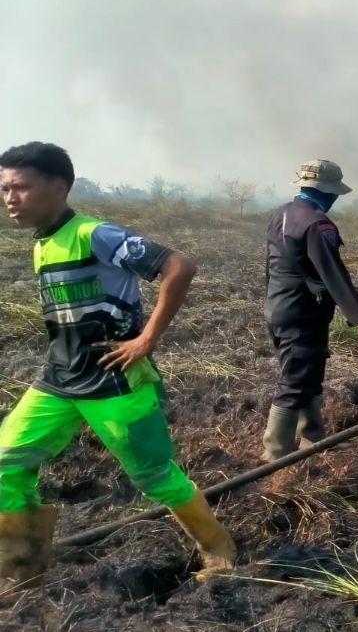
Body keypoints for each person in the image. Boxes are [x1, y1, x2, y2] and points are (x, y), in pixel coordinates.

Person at [0, 142, 234, 590]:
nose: (10, 197)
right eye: (5, 188)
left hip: (114, 381)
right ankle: (23, 570)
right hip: (60, 381)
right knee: (7, 461)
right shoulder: (42, 244)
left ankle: (219, 552)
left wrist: (146, 339)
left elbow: (178, 267)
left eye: (21, 187)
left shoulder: (94, 234)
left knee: (155, 477)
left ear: (59, 187)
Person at [263, 160, 358, 462]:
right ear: (328, 192)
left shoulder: (281, 214)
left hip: (279, 307)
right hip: (303, 312)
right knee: (294, 380)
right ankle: (275, 453)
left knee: (308, 374)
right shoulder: (317, 223)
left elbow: (273, 267)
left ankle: (313, 440)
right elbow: (333, 273)